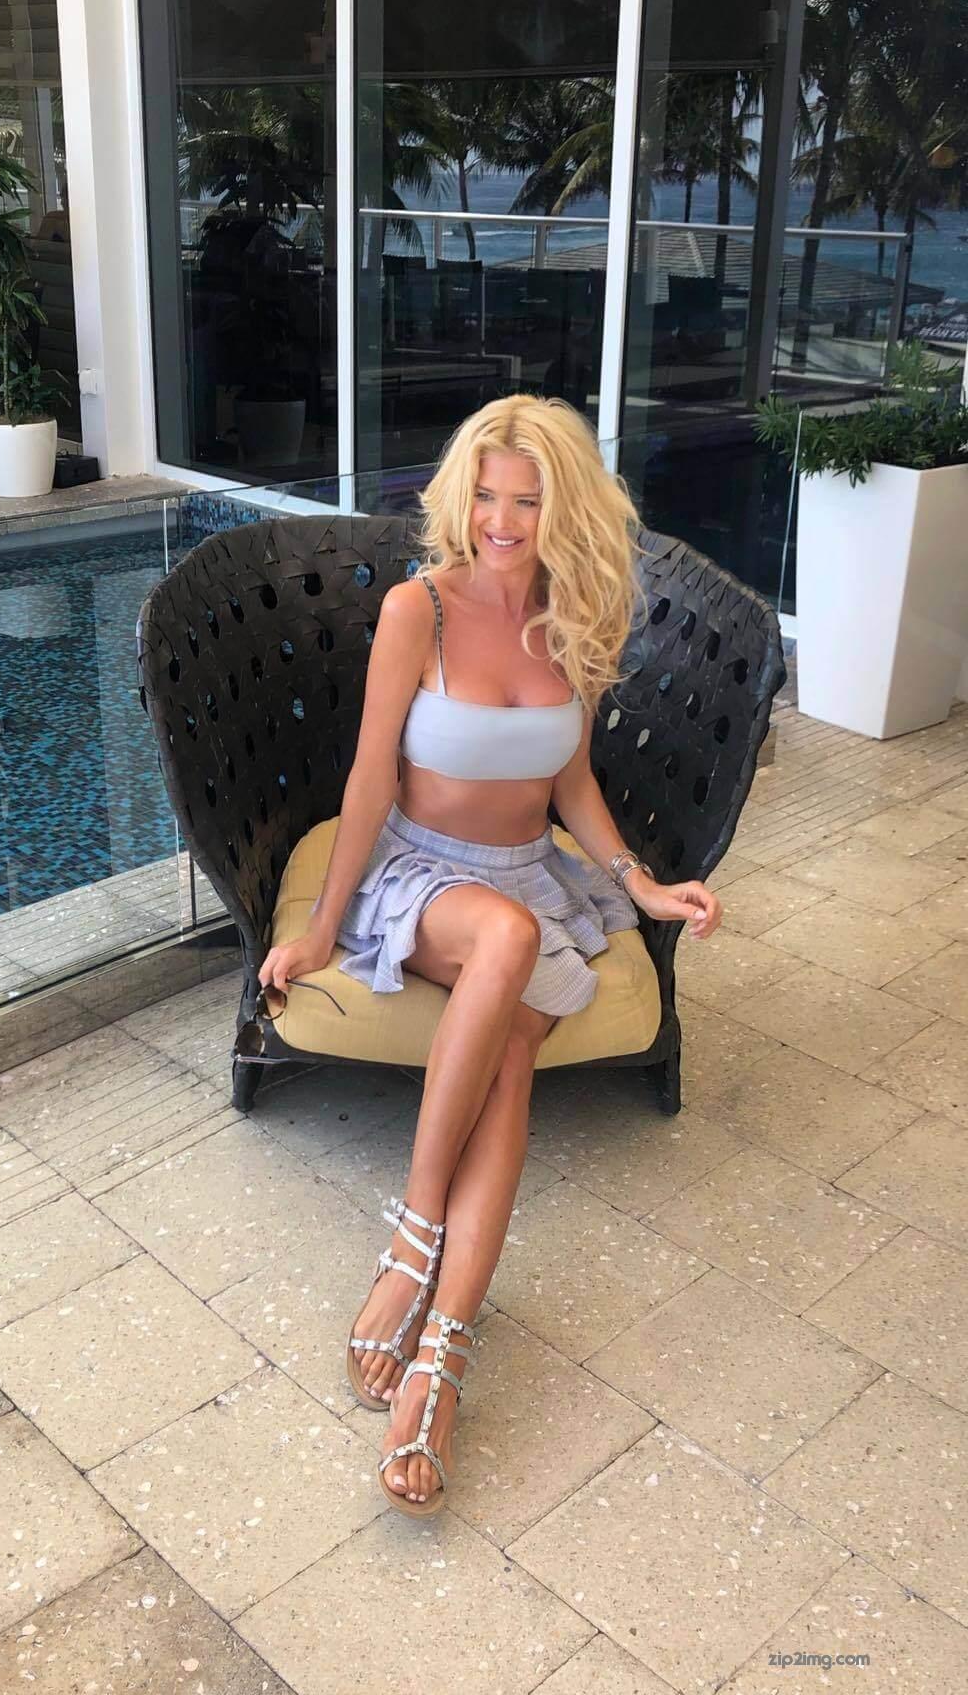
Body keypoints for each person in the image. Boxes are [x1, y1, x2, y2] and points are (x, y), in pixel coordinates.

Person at [258, 395, 723, 1517]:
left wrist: (638, 883)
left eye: (527, 500)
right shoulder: (417, 608)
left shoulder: (578, 617)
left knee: (511, 1054)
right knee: (505, 941)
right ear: (459, 497)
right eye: (486, 495)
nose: (502, 521)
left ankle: (440, 1365)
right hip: (423, 879)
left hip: (531, 877)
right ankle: (414, 1240)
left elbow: (573, 784)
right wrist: (319, 926)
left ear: (563, 510)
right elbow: (370, 776)